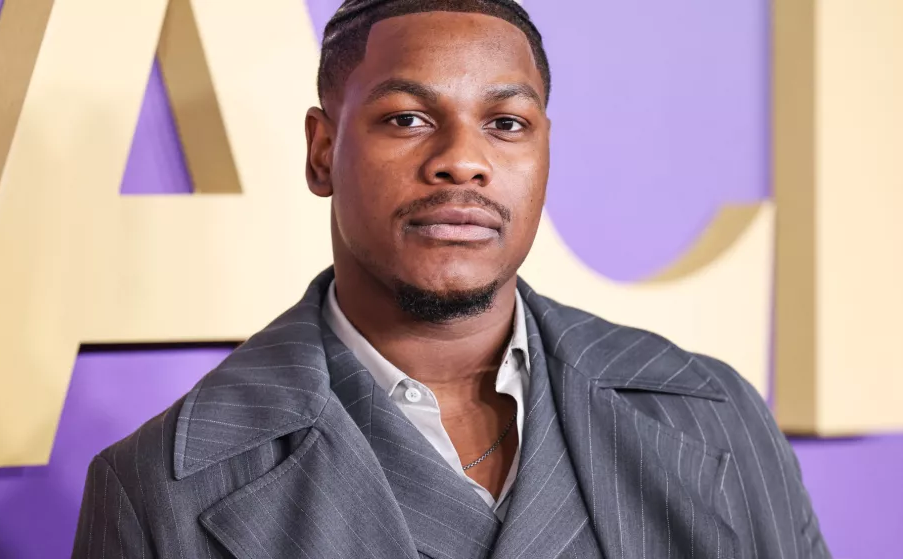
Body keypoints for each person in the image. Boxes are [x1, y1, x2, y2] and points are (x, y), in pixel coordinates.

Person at [72, 1, 831, 557]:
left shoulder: (715, 414)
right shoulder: (157, 489)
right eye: (407, 118)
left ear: (543, 153)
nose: (462, 159)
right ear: (320, 151)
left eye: (506, 124)